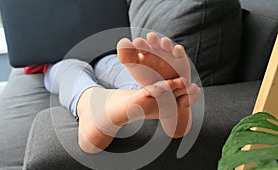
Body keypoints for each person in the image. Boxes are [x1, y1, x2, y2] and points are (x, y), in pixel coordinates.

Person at [43, 32, 201, 153]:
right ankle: (96, 104)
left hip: (106, 51)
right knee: (73, 69)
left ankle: (155, 91)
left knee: (115, 64)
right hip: (58, 59)